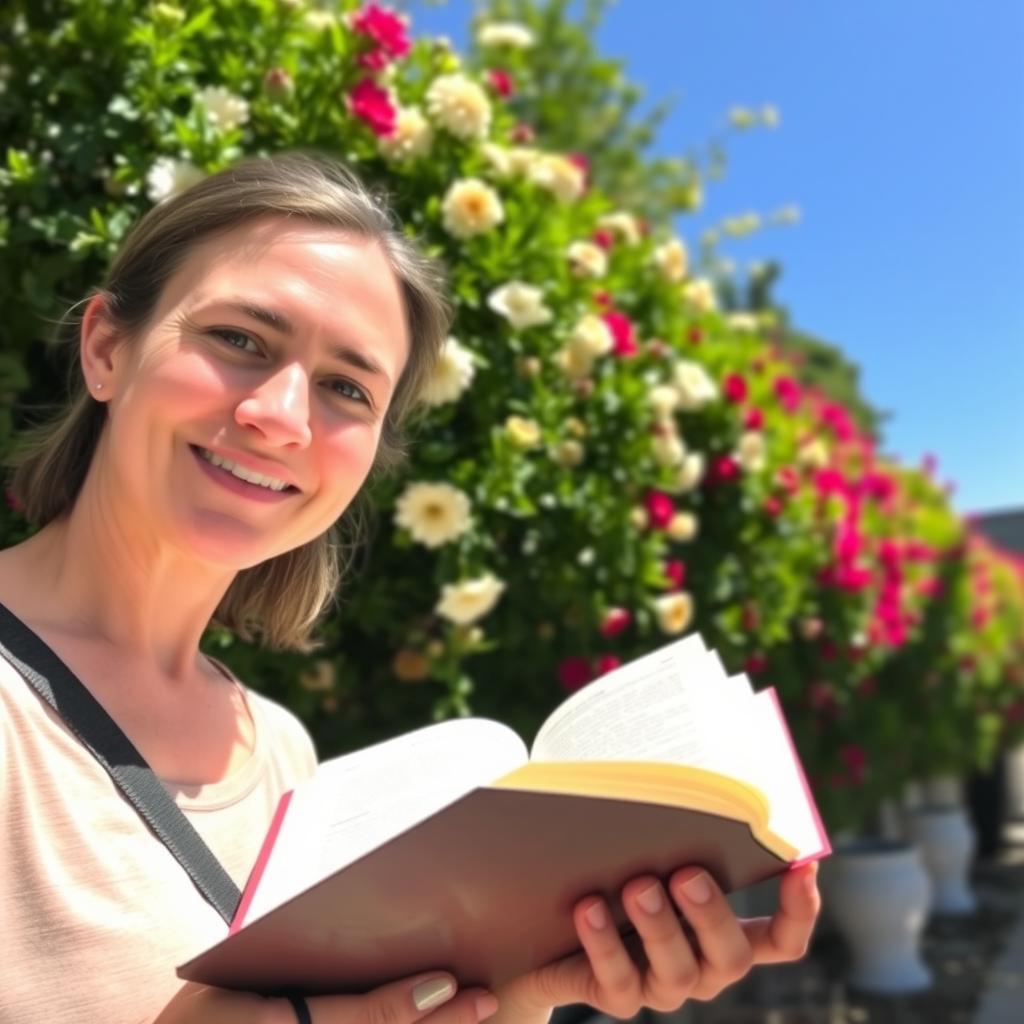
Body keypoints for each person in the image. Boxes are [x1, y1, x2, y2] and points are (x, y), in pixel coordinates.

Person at [0, 153, 820, 1024]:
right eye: (240, 339)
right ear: (106, 350)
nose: (280, 416)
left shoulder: (279, 753)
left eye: (346, 388)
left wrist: (515, 993)